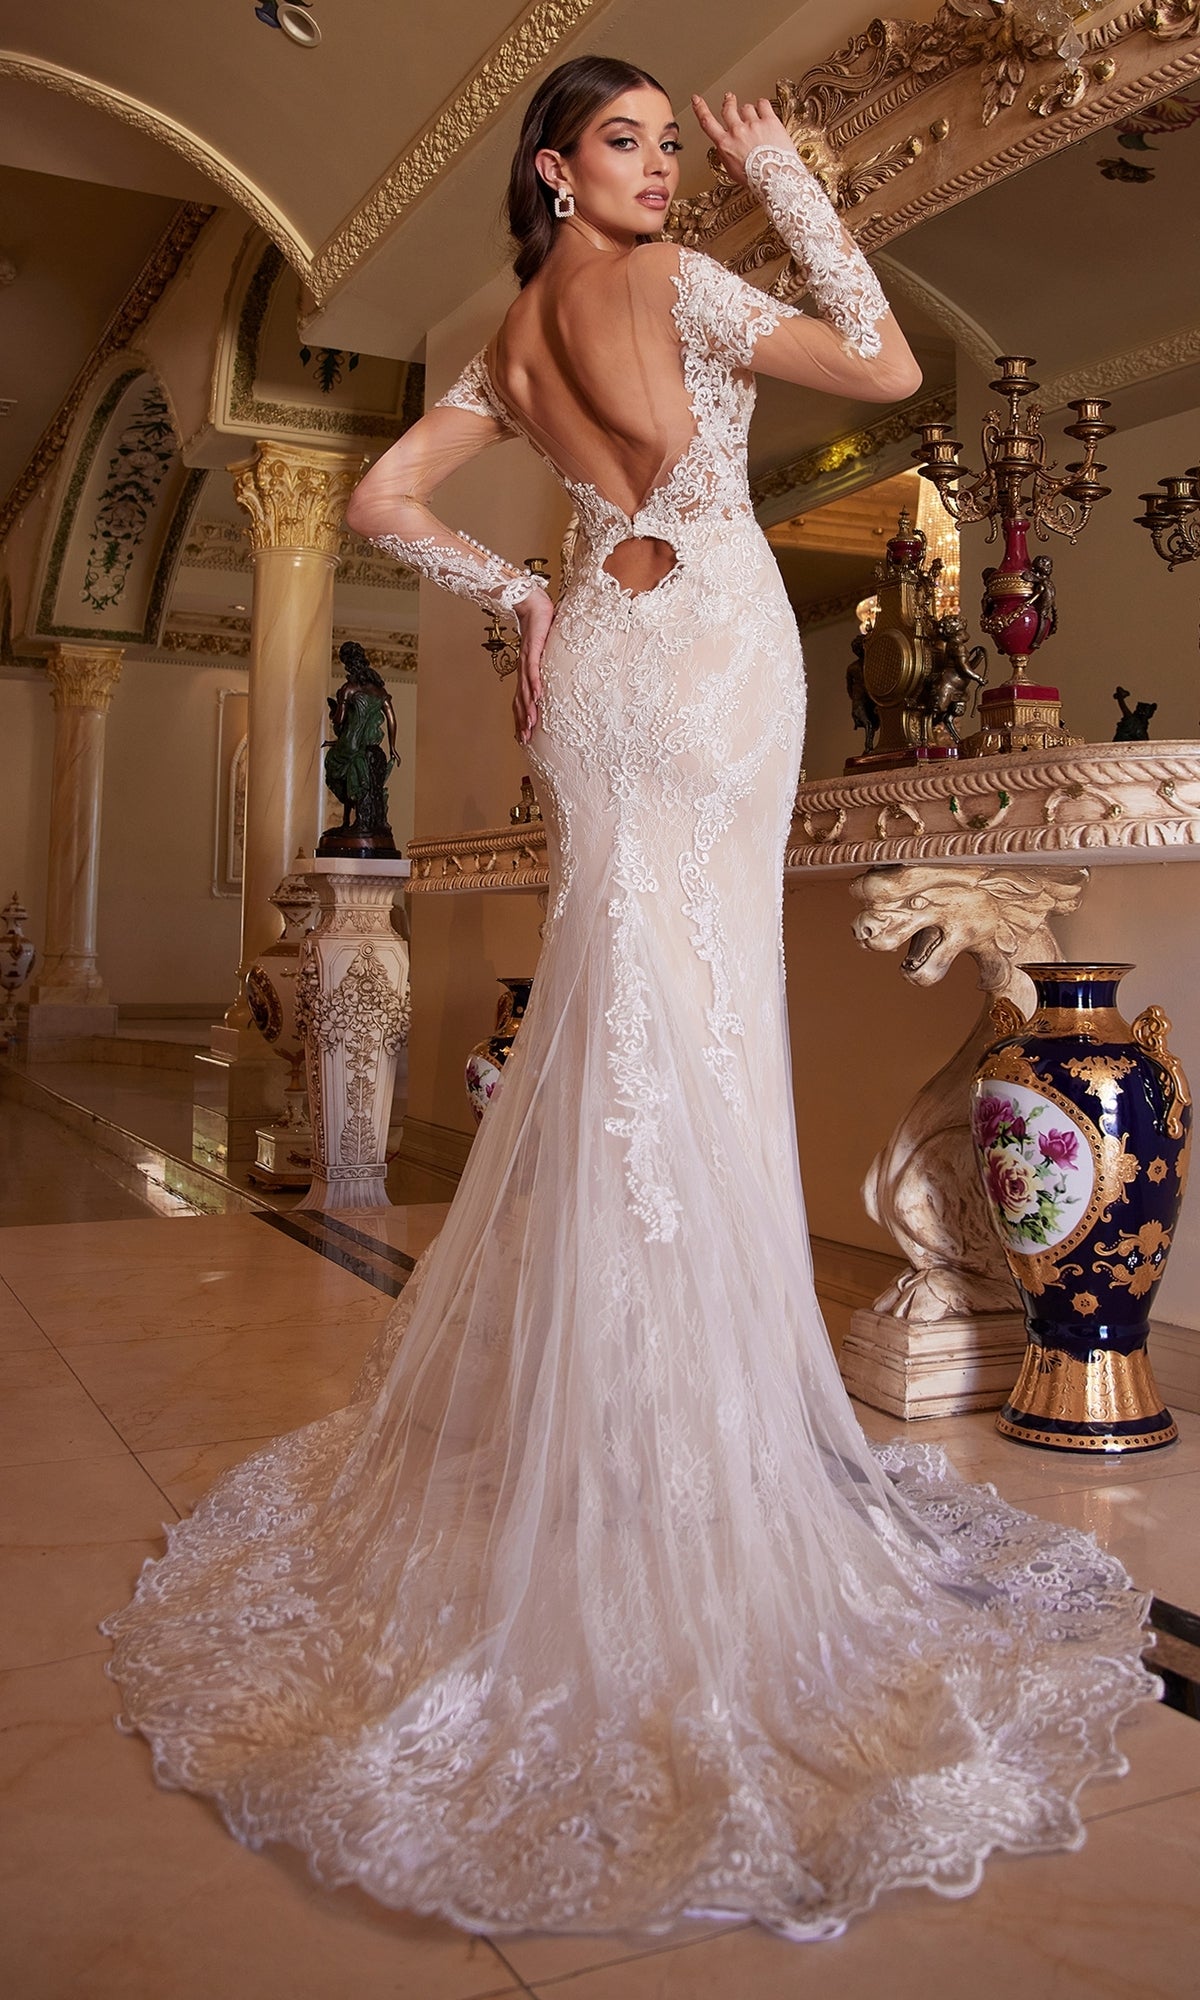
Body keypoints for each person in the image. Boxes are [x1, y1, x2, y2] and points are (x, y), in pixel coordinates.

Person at [104, 58, 1154, 1942]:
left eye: (682, 143)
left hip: (602, 654)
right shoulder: (680, 288)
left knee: (622, 1013)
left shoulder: (507, 340)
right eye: (633, 143)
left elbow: (384, 497)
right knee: (696, 1017)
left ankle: (637, 1416)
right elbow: (893, 372)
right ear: (553, 164)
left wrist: (528, 593)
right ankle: (693, 1437)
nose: (665, 168)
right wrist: (801, 190)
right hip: (717, 638)